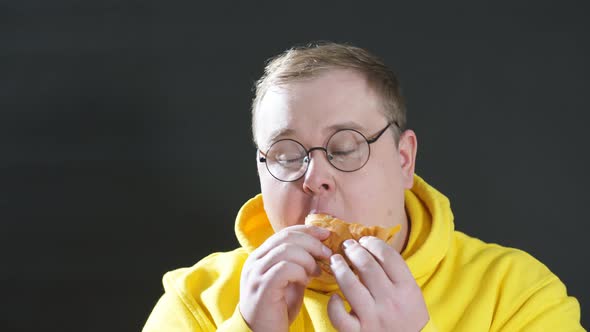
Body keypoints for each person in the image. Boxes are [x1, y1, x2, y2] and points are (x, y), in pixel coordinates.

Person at [143, 42, 584, 331]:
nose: (314, 177)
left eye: (345, 146)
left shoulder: (516, 295)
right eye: (287, 154)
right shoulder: (195, 302)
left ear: (404, 159)